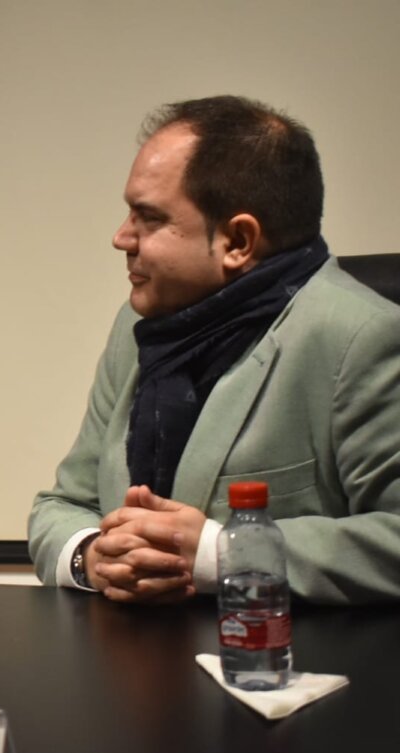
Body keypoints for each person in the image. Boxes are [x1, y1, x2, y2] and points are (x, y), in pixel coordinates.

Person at [28, 95, 400, 605]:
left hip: (281, 670)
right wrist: (91, 556)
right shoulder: (140, 323)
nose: (121, 237)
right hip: (127, 668)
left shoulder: (360, 337)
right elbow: (64, 503)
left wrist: (219, 554)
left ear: (238, 241)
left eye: (149, 218)